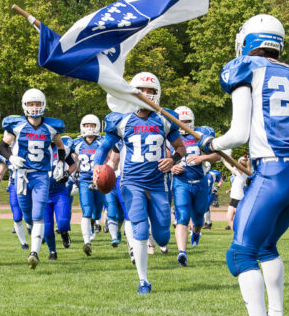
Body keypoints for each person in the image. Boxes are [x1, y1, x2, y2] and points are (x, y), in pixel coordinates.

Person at [198, 14, 289, 316]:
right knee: (266, 247)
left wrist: (209, 144)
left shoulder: (246, 68)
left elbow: (238, 134)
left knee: (240, 253)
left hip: (273, 173)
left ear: (248, 42)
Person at [94, 72, 186, 294]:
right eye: (141, 91)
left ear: (157, 94)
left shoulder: (166, 119)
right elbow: (105, 147)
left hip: (158, 182)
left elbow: (181, 149)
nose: (146, 94)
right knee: (140, 227)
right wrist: (98, 165)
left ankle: (154, 242)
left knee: (163, 235)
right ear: (133, 94)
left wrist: (172, 159)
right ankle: (143, 279)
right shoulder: (122, 120)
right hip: (131, 181)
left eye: (151, 91)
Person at [0, 88, 67, 269]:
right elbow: (2, 147)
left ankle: (34, 253)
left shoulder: (52, 127)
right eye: (31, 104)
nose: (34, 107)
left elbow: (61, 147)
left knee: (38, 214)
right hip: (21, 174)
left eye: (37, 104)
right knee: (27, 214)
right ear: (24, 106)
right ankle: (33, 233)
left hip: (41, 175)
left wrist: (60, 163)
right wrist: (11, 157)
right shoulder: (16, 125)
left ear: (43, 105)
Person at [170, 106, 220, 266]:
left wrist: (202, 158)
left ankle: (197, 232)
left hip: (200, 182)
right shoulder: (170, 135)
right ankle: (182, 253)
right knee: (182, 217)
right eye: (181, 121)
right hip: (181, 182)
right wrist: (171, 167)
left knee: (199, 218)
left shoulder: (201, 133)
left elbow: (218, 155)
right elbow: (161, 157)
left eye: (187, 121)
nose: (184, 124)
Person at [72, 114, 106, 254]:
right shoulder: (77, 143)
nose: (89, 128)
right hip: (85, 180)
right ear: (82, 127)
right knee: (86, 210)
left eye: (92, 125)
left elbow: (111, 159)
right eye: (86, 125)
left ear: (97, 126)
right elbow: (74, 163)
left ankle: (93, 223)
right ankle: (87, 242)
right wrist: (73, 179)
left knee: (97, 212)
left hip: (100, 180)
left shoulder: (103, 142)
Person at [0, 152, 30, 249]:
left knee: (31, 214)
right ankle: (24, 243)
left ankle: (34, 229)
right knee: (17, 216)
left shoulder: (28, 146)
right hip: (15, 185)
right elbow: (0, 173)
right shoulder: (6, 155)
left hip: (31, 184)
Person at [43, 140, 76, 259]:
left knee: (62, 223)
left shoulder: (63, 149)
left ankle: (64, 232)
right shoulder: (36, 147)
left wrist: (67, 173)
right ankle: (52, 251)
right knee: (47, 228)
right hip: (43, 194)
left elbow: (73, 164)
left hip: (59, 192)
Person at [222, 155, 251, 231]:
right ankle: (236, 233)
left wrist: (223, 159)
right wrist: (230, 190)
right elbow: (236, 184)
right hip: (235, 198)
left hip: (238, 198)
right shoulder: (241, 174)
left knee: (236, 218)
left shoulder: (242, 173)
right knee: (229, 217)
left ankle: (238, 232)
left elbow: (230, 167)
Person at [203, 162, 223, 230]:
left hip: (210, 193)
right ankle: (207, 222)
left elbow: (220, 180)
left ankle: (208, 222)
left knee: (205, 207)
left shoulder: (214, 173)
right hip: (202, 193)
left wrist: (217, 187)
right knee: (206, 208)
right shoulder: (200, 172)